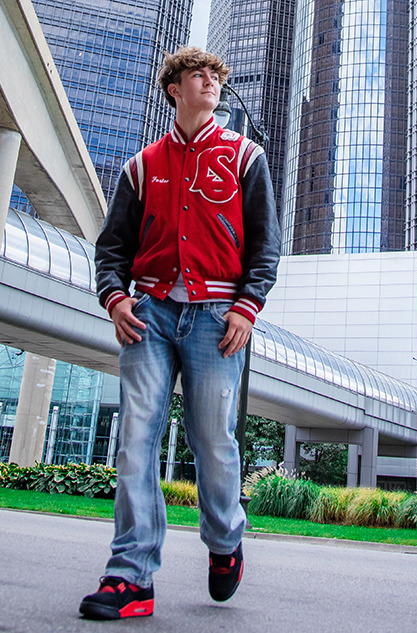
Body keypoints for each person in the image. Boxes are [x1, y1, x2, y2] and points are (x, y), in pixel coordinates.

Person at [79, 46, 280, 620]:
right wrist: (115, 298)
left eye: (216, 76)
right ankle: (130, 576)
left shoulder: (246, 158)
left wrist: (248, 306)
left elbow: (265, 246)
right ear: (175, 89)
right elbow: (112, 248)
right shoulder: (141, 166)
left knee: (212, 440)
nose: (210, 83)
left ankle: (224, 540)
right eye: (199, 75)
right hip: (150, 314)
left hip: (219, 320)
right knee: (135, 437)